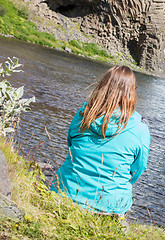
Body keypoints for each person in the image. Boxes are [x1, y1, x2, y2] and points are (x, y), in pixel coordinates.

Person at [51, 65, 150, 216]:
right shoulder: (140, 130)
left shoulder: (82, 115)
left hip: (65, 194)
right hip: (110, 207)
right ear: (132, 93)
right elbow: (137, 169)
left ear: (102, 86)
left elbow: (70, 145)